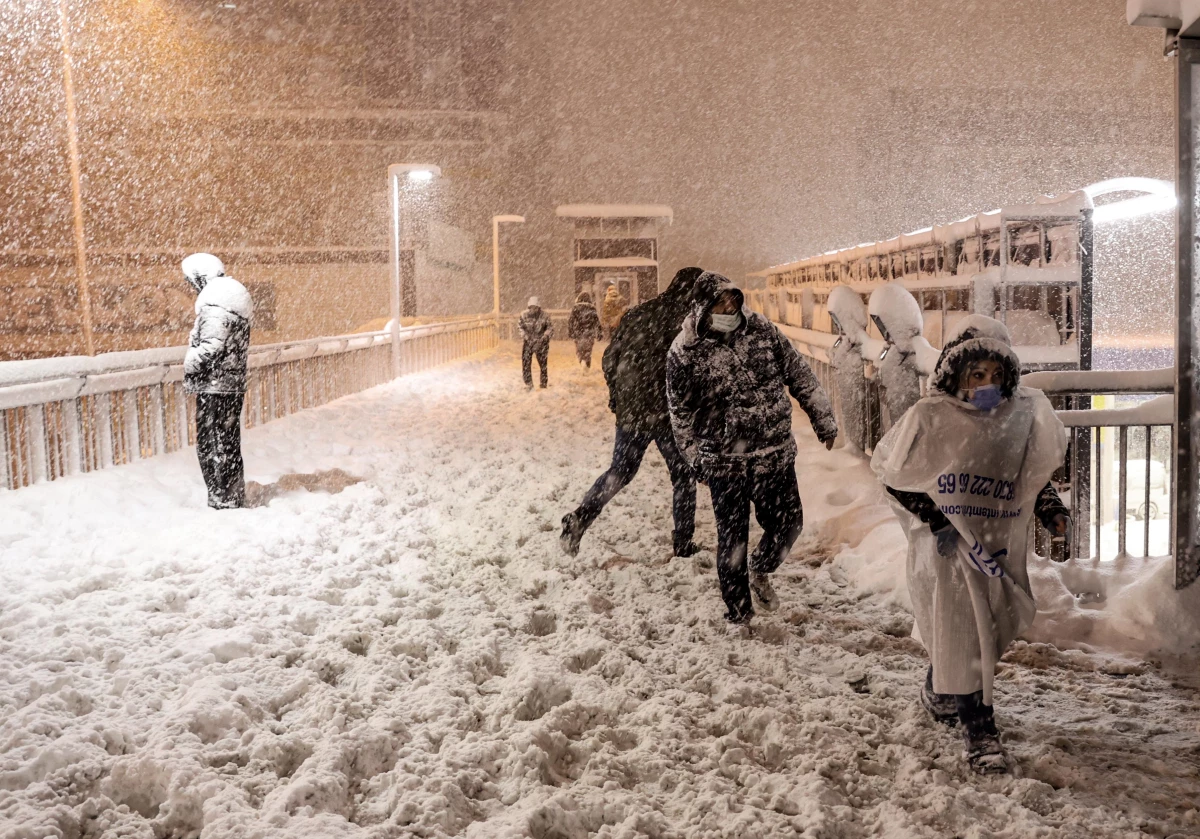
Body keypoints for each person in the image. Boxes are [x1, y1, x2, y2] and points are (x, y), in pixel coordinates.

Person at [871, 315, 1070, 775]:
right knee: (965, 631)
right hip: (948, 548)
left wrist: (1048, 509)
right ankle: (981, 733)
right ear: (955, 374)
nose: (987, 385)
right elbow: (896, 477)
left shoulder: (1016, 419)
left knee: (988, 629)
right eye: (976, 375)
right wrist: (938, 521)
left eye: (997, 376)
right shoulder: (930, 418)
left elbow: (1027, 477)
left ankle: (941, 688)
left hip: (995, 544)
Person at [667, 271, 837, 624]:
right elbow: (679, 412)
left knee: (790, 525)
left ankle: (761, 568)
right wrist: (694, 457)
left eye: (733, 299)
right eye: (720, 302)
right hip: (724, 463)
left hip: (773, 455)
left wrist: (823, 418)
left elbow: (798, 373)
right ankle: (739, 613)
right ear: (702, 308)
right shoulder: (685, 353)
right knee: (732, 544)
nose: (729, 306)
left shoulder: (763, 332)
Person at [561, 268, 703, 558]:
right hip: (667, 413)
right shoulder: (690, 324)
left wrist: (618, 397)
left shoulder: (638, 313)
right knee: (683, 475)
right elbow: (696, 372)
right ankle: (684, 543)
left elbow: (610, 358)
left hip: (633, 409)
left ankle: (580, 517)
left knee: (620, 471)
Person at [182, 252, 253, 510]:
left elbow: (212, 346)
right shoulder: (233, 301)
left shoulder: (215, 304)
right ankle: (231, 494)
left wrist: (189, 362)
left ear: (201, 277)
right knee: (228, 443)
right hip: (231, 383)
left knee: (212, 444)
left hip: (214, 385)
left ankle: (222, 499)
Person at [518, 296, 552, 389]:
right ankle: (528, 383)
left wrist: (545, 336)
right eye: (531, 307)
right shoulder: (523, 315)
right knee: (526, 362)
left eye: (535, 307)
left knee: (543, 363)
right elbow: (520, 326)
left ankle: (543, 383)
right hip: (528, 341)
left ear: (538, 307)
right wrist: (524, 335)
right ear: (529, 307)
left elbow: (549, 327)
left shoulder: (545, 316)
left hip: (541, 342)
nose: (533, 310)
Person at [567, 291, 603, 369]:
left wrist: (571, 331)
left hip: (578, 333)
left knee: (579, 350)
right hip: (589, 333)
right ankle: (587, 364)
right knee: (588, 351)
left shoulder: (575, 308)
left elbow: (571, 321)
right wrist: (599, 332)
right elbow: (596, 321)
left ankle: (581, 361)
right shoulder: (592, 308)